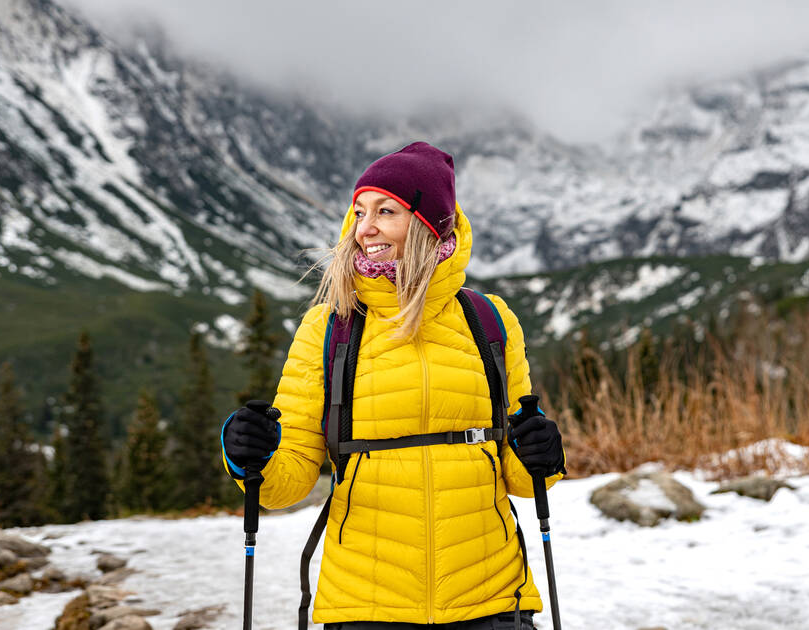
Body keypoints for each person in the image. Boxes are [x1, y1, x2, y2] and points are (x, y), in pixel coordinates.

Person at [221, 142, 566, 629]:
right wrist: (248, 455)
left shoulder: (490, 320)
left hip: (491, 600)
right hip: (368, 604)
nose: (365, 228)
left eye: (386, 211)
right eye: (359, 212)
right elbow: (286, 482)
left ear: (431, 224)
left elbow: (521, 477)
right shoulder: (331, 326)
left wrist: (541, 453)